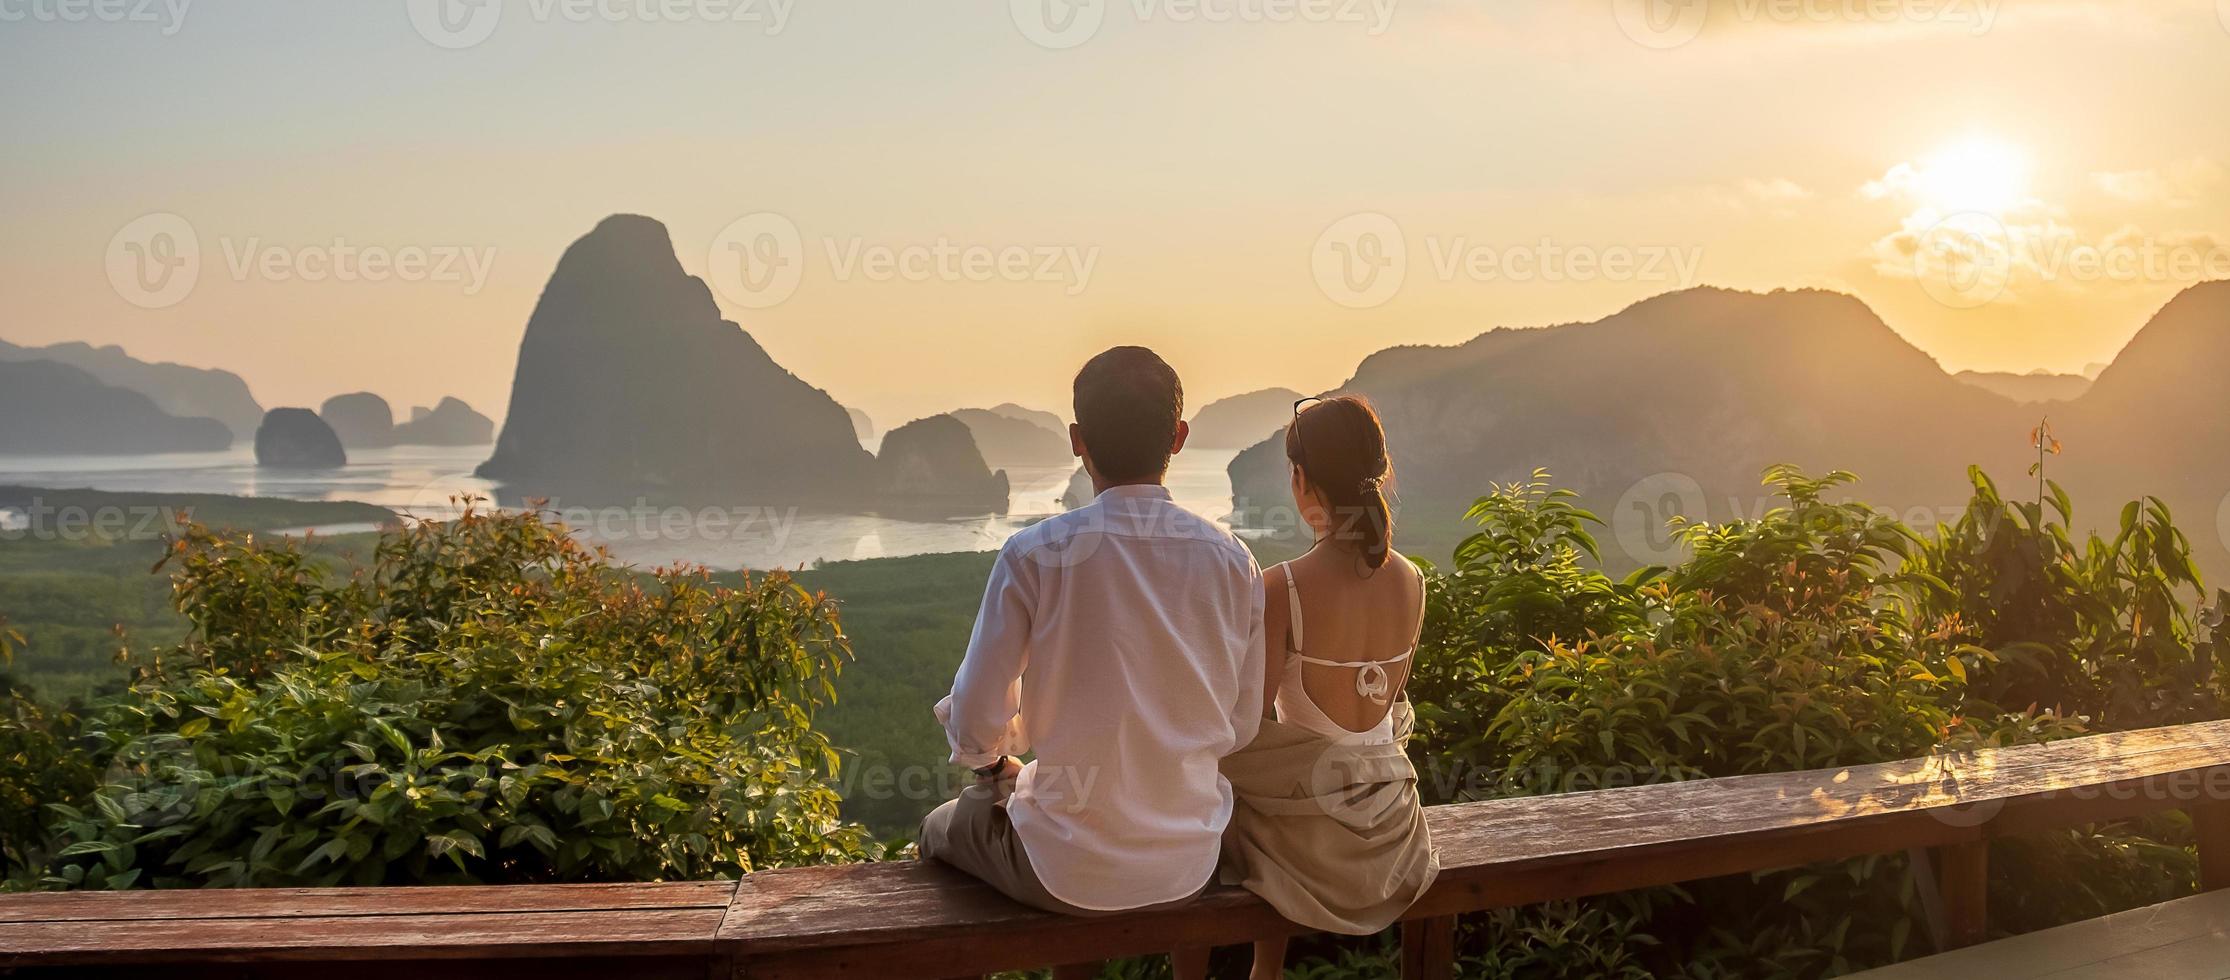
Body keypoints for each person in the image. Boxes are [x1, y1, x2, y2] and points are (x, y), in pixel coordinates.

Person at [919, 346, 1266, 980]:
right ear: (1179, 438)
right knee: (1062, 833)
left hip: (1065, 866)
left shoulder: (1034, 554)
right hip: (1191, 859)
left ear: (1078, 440)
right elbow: (1241, 725)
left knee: (943, 828)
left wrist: (998, 760)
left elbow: (974, 722)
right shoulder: (1233, 560)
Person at [1218, 395, 1440, 980]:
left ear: (1301, 480)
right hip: (1393, 830)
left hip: (1314, 842)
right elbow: (1385, 711)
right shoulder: (1412, 580)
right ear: (1378, 472)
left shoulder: (1281, 587)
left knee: (1208, 781)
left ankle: (1252, 971)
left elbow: (1252, 728)